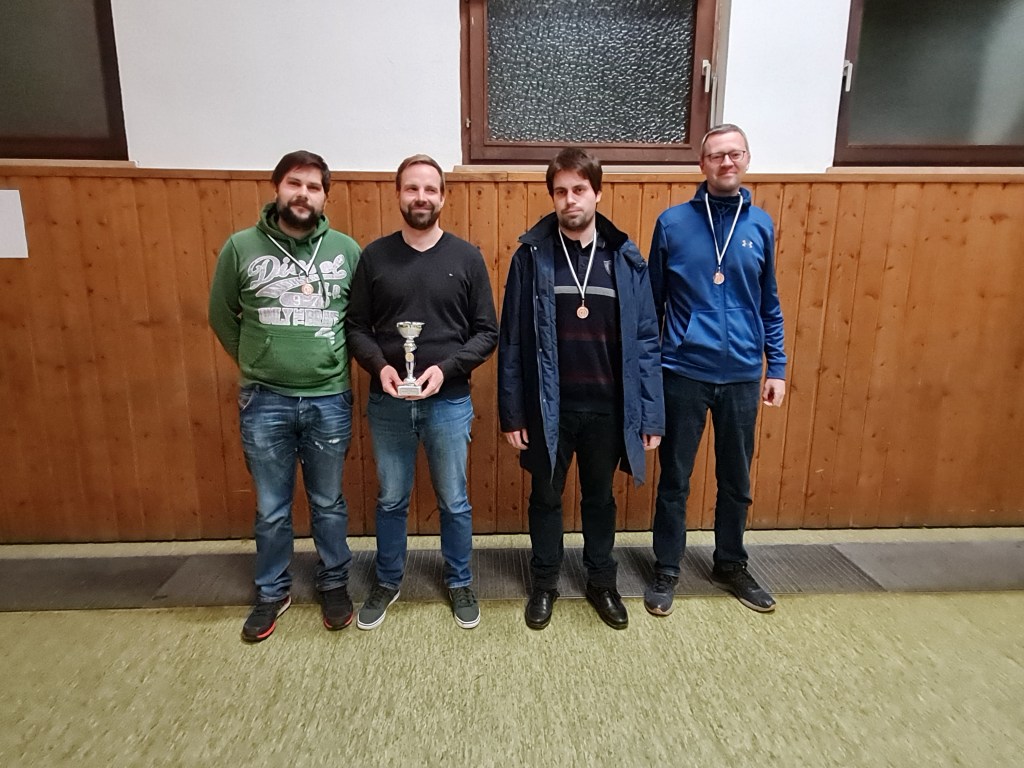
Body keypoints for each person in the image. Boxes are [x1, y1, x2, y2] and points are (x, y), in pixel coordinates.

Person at [498, 147, 665, 631]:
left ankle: (601, 582)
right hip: (548, 407)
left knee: (600, 499)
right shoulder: (531, 258)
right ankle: (544, 583)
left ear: (597, 193)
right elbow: (512, 340)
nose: (570, 200)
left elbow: (646, 341)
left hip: (608, 408)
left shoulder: (626, 259)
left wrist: (651, 413)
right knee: (546, 498)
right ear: (552, 197)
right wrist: (513, 412)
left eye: (579, 190)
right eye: (560, 192)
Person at [209, 150, 362, 642]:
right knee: (272, 507)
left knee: (328, 502)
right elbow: (220, 314)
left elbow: (359, 320)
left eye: (314, 187)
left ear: (325, 197)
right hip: (264, 400)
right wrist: (255, 359)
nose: (303, 194)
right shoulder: (241, 247)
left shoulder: (346, 250)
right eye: (295, 183)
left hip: (329, 398)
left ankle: (334, 583)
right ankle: (272, 591)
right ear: (276, 187)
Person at [346, 154, 498, 631]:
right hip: (388, 402)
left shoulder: (467, 258)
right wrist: (380, 368)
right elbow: (355, 327)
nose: (421, 197)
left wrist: (446, 369)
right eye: (412, 188)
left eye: (430, 189)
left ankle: (460, 581)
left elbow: (487, 332)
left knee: (454, 500)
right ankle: (388, 580)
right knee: (391, 499)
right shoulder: (375, 257)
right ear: (398, 194)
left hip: (448, 402)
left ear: (443, 197)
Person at [646, 124, 787, 616]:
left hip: (744, 373)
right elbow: (652, 306)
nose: (726, 163)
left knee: (736, 480)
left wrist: (776, 366)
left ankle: (730, 564)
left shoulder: (761, 225)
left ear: (746, 158)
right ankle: (667, 567)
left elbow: (769, 302)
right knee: (675, 479)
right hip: (683, 371)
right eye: (716, 155)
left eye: (734, 154)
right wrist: (648, 374)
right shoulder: (672, 223)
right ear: (702, 164)